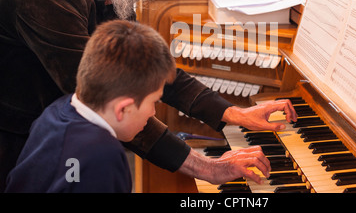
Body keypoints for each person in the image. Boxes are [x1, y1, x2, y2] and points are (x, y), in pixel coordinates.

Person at [0, 0, 296, 191]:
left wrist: (232, 113)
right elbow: (106, 99)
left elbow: (147, 70)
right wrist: (204, 166)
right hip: (19, 146)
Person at [5, 20, 271, 192]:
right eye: (153, 102)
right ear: (123, 108)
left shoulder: (56, 111)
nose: (154, 113)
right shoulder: (103, 155)